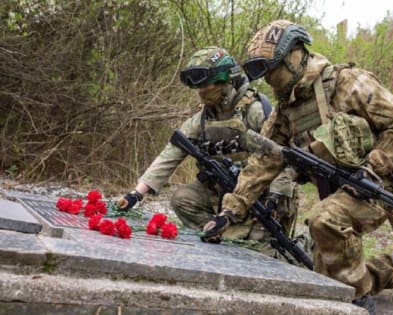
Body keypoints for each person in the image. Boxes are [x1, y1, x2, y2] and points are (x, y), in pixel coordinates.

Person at [201, 20, 393, 313]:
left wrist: (370, 168)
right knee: (325, 276)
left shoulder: (349, 83)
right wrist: (231, 210)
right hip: (338, 190)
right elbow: (265, 160)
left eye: (271, 69)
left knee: (323, 221)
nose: (267, 79)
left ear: (294, 56)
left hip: (378, 186)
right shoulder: (285, 109)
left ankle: (357, 300)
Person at [117, 46, 301, 257]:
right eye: (198, 86)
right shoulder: (204, 118)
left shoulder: (255, 111)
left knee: (263, 250)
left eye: (207, 84)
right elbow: (171, 154)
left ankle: (238, 234)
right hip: (223, 191)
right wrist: (136, 194)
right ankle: (219, 231)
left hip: (261, 194)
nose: (202, 91)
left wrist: (274, 199)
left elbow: (282, 159)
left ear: (226, 81)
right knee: (182, 199)